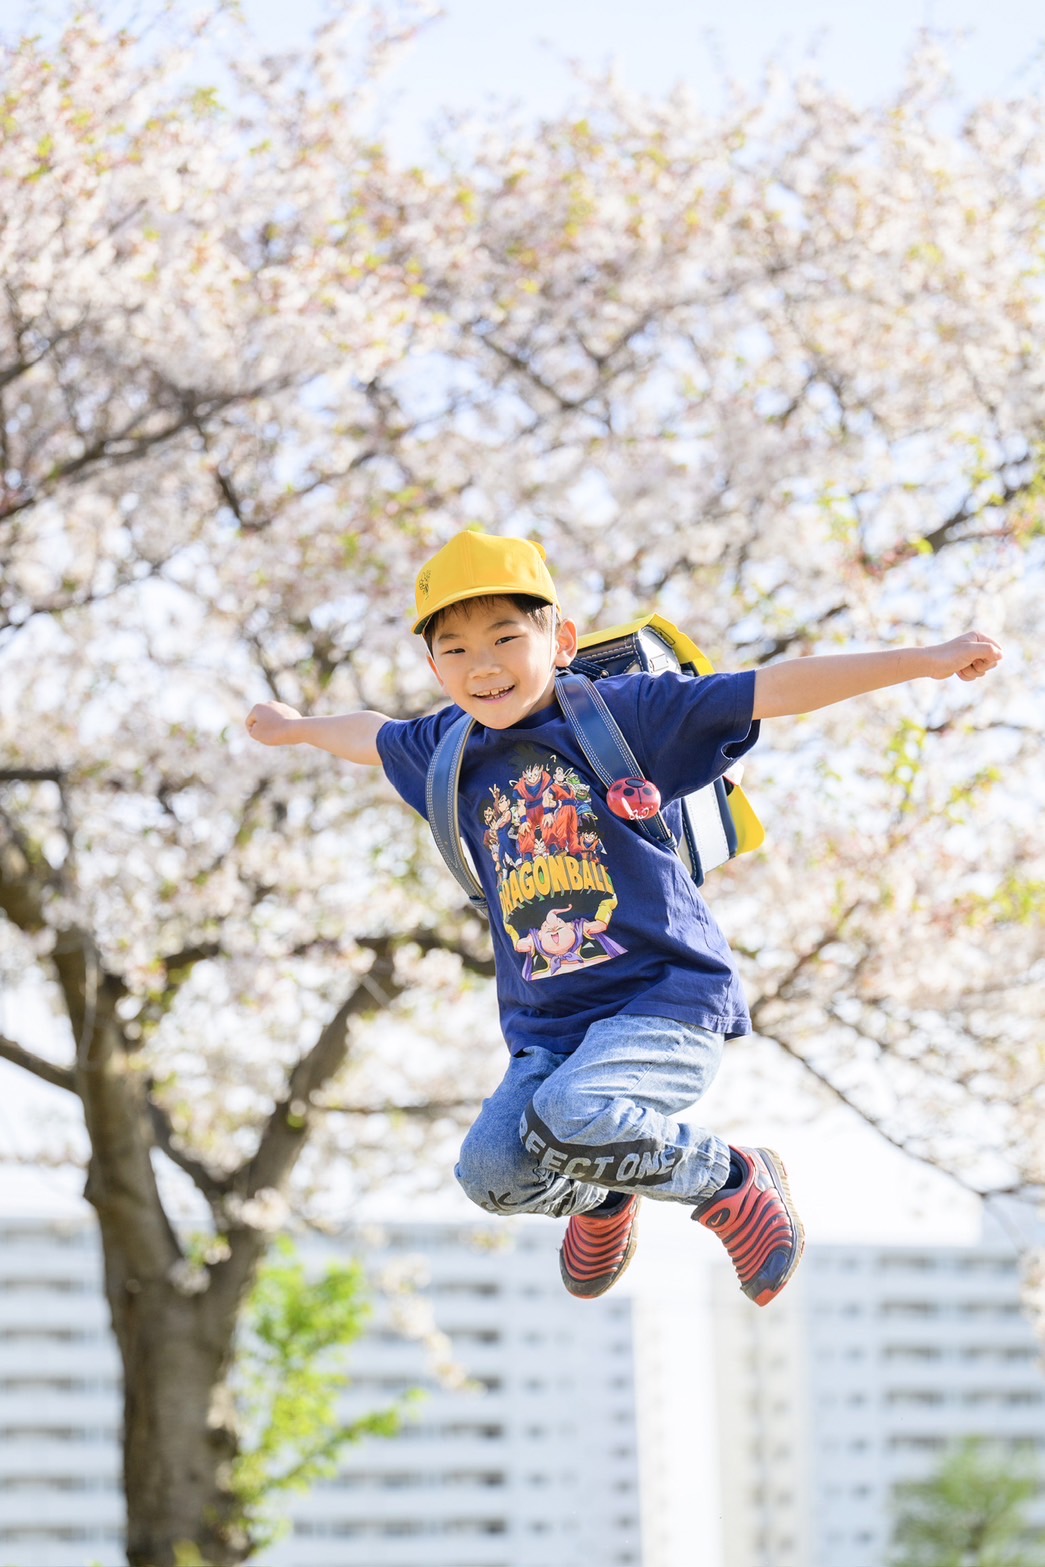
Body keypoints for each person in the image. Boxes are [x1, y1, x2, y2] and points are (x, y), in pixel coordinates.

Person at [246, 531, 1002, 1306]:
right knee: (492, 1172)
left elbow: (769, 687)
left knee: (571, 1114)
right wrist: (298, 726)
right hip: (550, 1032)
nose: (482, 664)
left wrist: (926, 657)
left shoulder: (622, 716)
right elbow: (367, 734)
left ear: (560, 640)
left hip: (662, 1002)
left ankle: (733, 1178)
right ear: (433, 668)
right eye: (456, 648)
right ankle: (604, 1197)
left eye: (506, 637)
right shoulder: (447, 747)